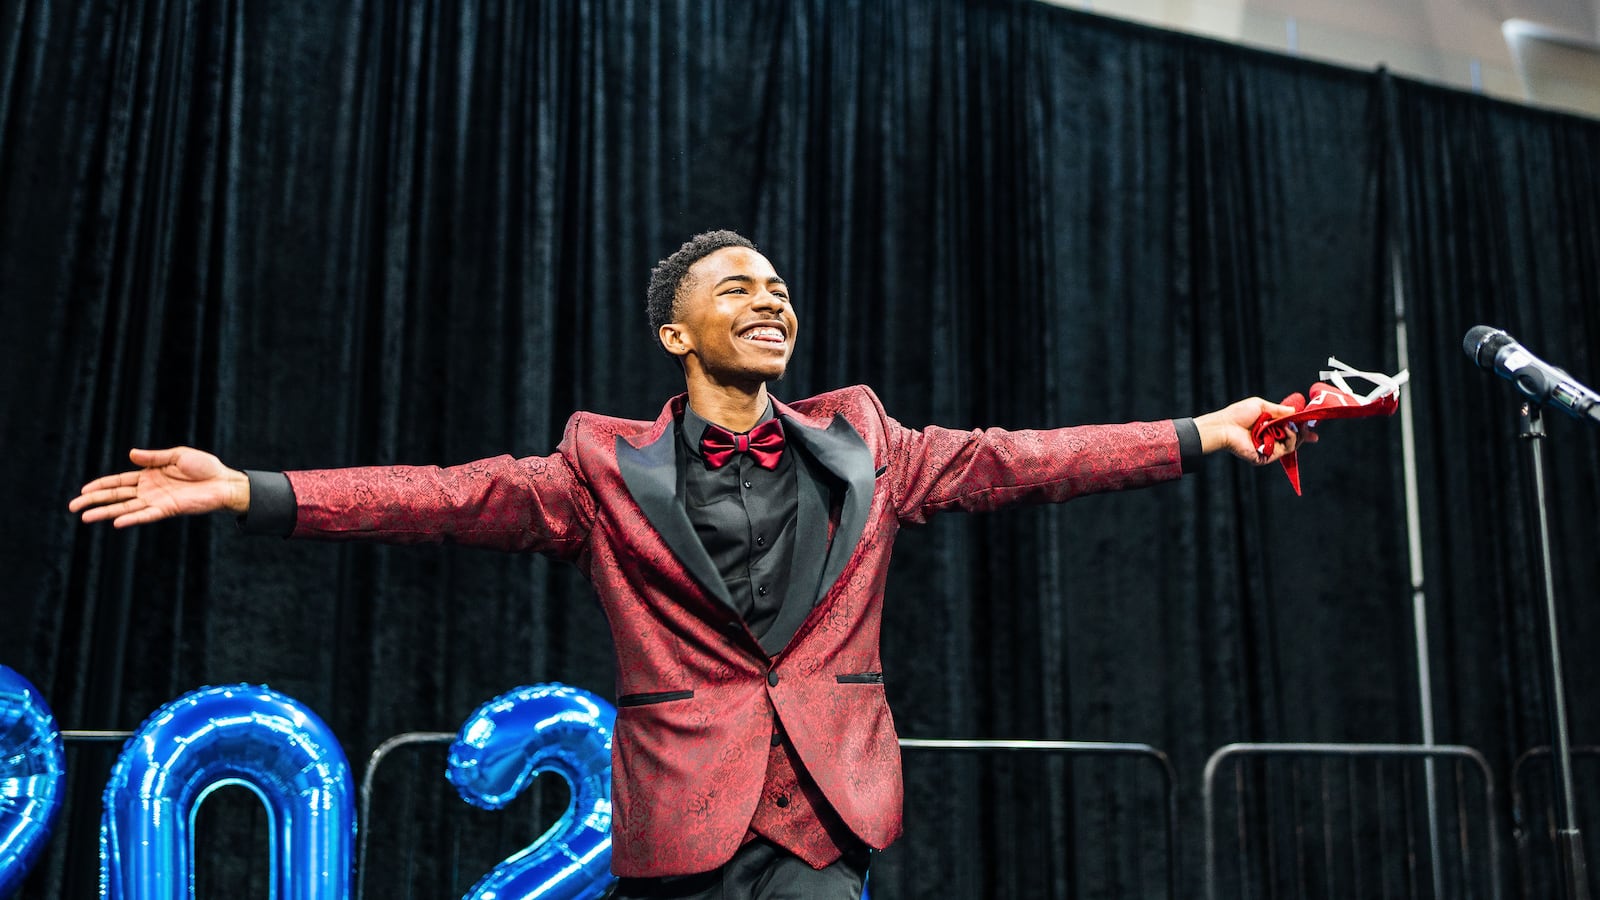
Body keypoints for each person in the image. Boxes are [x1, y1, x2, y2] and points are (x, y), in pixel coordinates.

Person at [72, 230, 1309, 899]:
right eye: (736, 288)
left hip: (824, 820)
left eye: (778, 287)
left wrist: (1206, 430)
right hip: (678, 827)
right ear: (677, 332)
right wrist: (253, 489)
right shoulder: (600, 468)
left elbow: (1026, 460)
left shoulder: (869, 442)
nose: (769, 299)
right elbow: (443, 496)